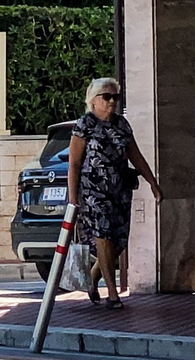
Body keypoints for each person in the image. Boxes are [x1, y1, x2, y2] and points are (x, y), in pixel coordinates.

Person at [69, 76, 161, 308]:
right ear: (94, 100)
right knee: (104, 238)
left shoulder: (121, 124)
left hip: (120, 190)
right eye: (107, 97)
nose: (112, 101)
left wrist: (152, 182)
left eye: (115, 97)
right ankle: (112, 294)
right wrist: (73, 197)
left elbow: (135, 155)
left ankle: (93, 277)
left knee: (119, 240)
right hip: (93, 191)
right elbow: (74, 163)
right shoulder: (84, 125)